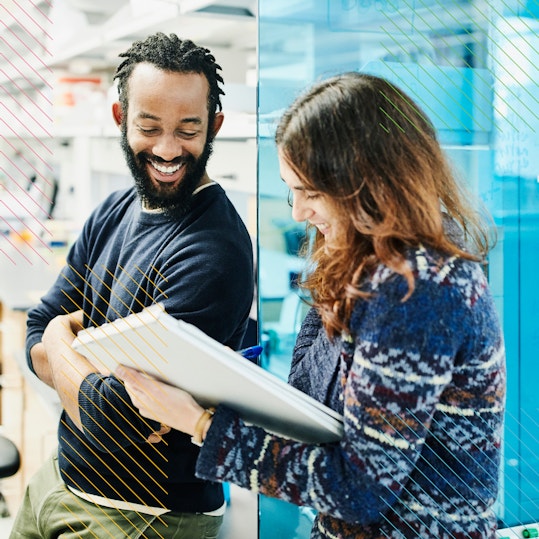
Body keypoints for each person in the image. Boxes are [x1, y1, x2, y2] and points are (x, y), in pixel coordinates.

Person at [116, 72, 506, 539]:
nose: (299, 212)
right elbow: (318, 415)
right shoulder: (366, 261)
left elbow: (360, 488)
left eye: (312, 193)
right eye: (292, 189)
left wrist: (200, 422)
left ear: (374, 185)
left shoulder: (419, 292)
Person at [10, 32, 254, 539]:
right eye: (149, 127)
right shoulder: (115, 211)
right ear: (122, 121)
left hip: (146, 518)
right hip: (59, 481)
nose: (167, 149)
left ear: (215, 127)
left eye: (188, 130)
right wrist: (71, 363)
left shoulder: (213, 249)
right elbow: (32, 332)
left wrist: (61, 341)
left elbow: (110, 422)